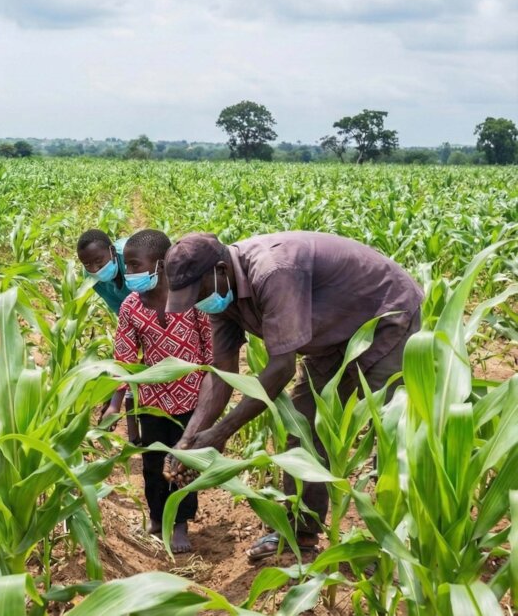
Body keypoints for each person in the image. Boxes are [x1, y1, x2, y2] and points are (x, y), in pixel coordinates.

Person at [163, 231, 423, 561]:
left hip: (386, 316)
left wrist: (220, 432)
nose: (199, 302)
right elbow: (222, 373)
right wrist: (188, 441)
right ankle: (300, 532)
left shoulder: (274, 270)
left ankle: (395, 548)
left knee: (389, 432)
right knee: (303, 427)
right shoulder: (219, 294)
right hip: (331, 337)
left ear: (220, 269)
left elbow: (281, 368)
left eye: (198, 292)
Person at [100, 230, 213, 553]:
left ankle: (179, 523)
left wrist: (210, 392)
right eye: (129, 266)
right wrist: (115, 403)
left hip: (191, 397)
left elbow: (209, 349)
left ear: (161, 265)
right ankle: (156, 514)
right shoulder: (132, 307)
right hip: (152, 401)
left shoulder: (192, 300)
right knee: (152, 463)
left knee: (183, 461)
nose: (130, 273)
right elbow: (123, 356)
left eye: (136, 266)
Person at [77, 229, 132, 315]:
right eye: (87, 264)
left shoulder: (132, 257)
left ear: (113, 251)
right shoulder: (90, 277)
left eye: (98, 261)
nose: (95, 269)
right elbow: (120, 308)